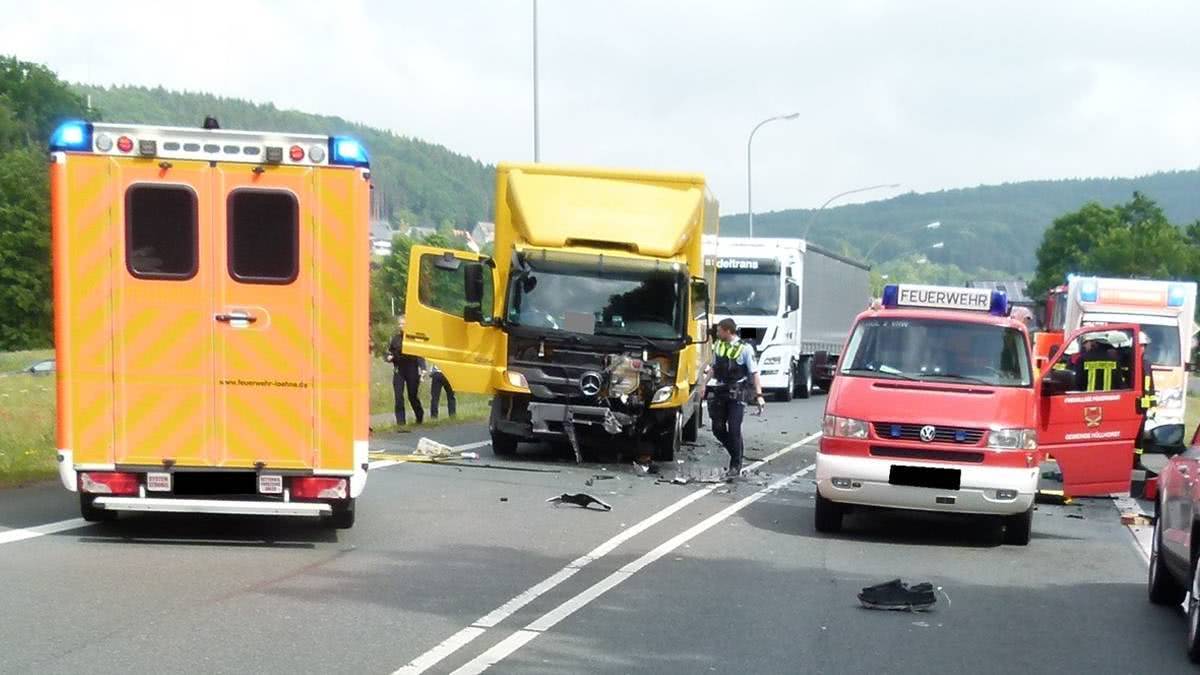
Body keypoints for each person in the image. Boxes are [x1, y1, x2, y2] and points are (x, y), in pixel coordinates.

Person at [701, 318, 765, 479]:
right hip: (721, 390)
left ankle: (735, 464)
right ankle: (737, 453)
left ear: (727, 331)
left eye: (719, 330)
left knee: (734, 428)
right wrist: (703, 384)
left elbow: (754, 373)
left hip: (737, 392)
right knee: (717, 428)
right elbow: (714, 368)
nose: (717, 333)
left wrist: (759, 396)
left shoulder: (745, 349)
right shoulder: (719, 345)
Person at [387, 315, 424, 425]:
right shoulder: (395, 339)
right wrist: (389, 357)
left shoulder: (413, 338)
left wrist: (423, 368)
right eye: (400, 324)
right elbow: (390, 352)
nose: (401, 326)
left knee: (412, 395)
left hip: (411, 368)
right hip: (399, 369)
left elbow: (419, 355)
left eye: (403, 324)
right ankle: (401, 422)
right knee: (398, 396)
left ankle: (419, 416)